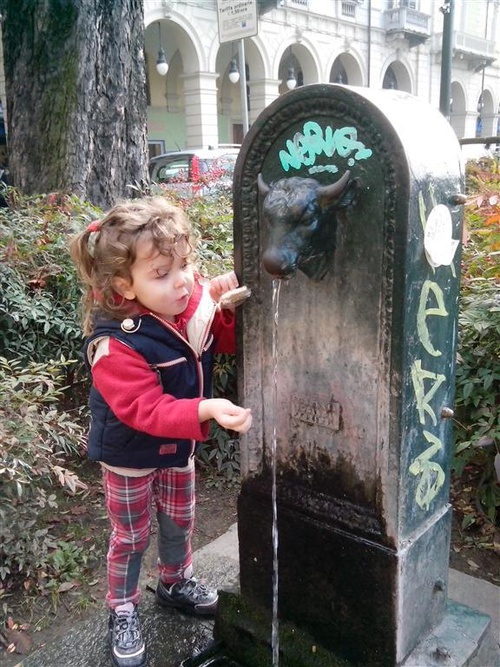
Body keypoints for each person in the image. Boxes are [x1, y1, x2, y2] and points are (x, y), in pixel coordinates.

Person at [69, 197, 252, 667]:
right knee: (130, 535)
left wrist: (226, 306)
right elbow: (143, 409)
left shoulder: (186, 300)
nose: (183, 280)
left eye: (185, 264)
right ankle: (123, 607)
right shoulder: (114, 344)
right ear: (122, 285)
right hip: (130, 452)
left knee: (179, 518)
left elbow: (218, 335)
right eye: (162, 273)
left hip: (177, 448)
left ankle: (174, 581)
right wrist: (207, 408)